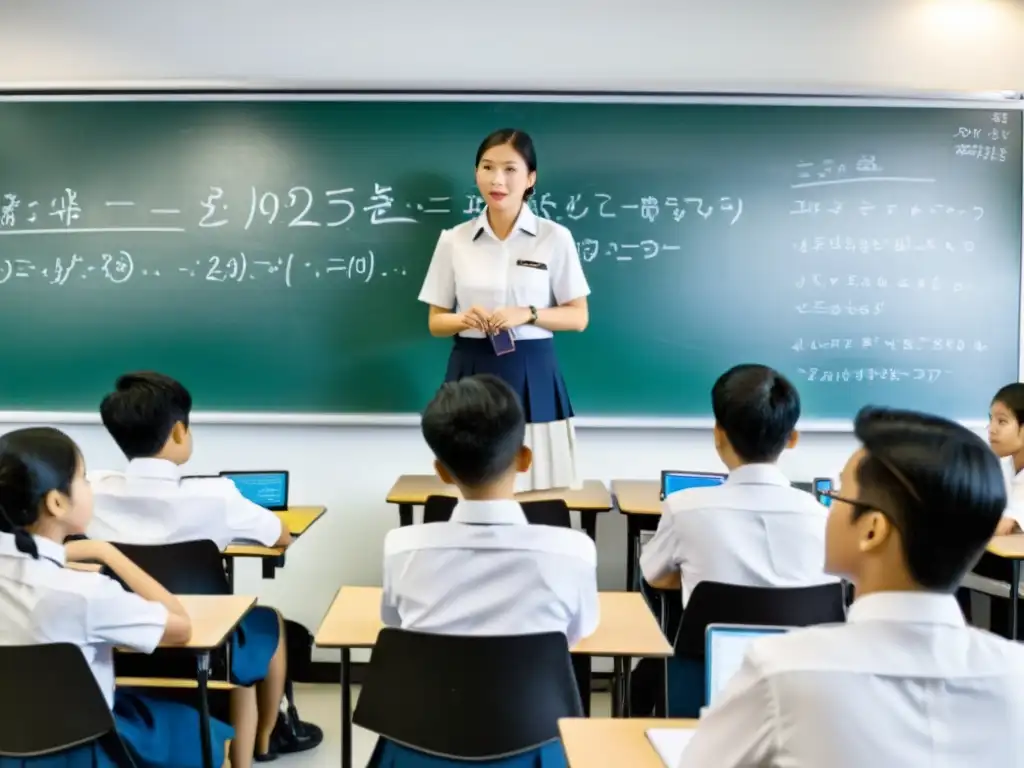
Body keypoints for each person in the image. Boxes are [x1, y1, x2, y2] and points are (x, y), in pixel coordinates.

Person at [678, 406, 1024, 767]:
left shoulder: (781, 671)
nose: (827, 509)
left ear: (872, 530)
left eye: (838, 496)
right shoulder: (1017, 675)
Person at [86, 371, 320, 764]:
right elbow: (280, 536)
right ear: (179, 432)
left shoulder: (91, 491)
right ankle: (264, 740)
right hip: (206, 642)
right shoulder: (216, 495)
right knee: (267, 620)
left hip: (120, 636)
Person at [377, 374, 599, 767]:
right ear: (524, 458)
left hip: (420, 746)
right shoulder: (573, 550)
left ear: (441, 471)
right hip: (533, 745)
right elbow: (576, 635)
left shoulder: (402, 547)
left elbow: (395, 624)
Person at [0, 426, 234, 768]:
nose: (90, 487)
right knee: (201, 731)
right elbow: (181, 627)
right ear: (56, 502)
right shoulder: (84, 593)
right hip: (82, 747)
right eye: (83, 478)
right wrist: (107, 553)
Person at [418, 128, 590, 492]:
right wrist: (463, 318)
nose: (497, 179)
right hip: (471, 368)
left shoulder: (554, 237)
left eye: (510, 169)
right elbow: (436, 322)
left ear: (530, 178)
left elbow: (578, 317)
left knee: (540, 489)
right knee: (470, 489)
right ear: (476, 173)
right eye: (487, 167)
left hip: (533, 370)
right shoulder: (454, 240)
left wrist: (527, 313)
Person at [640, 364, 832, 603]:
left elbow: (654, 577)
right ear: (792, 439)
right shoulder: (825, 520)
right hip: (800, 641)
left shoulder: (684, 510)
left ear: (718, 434)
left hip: (711, 641)